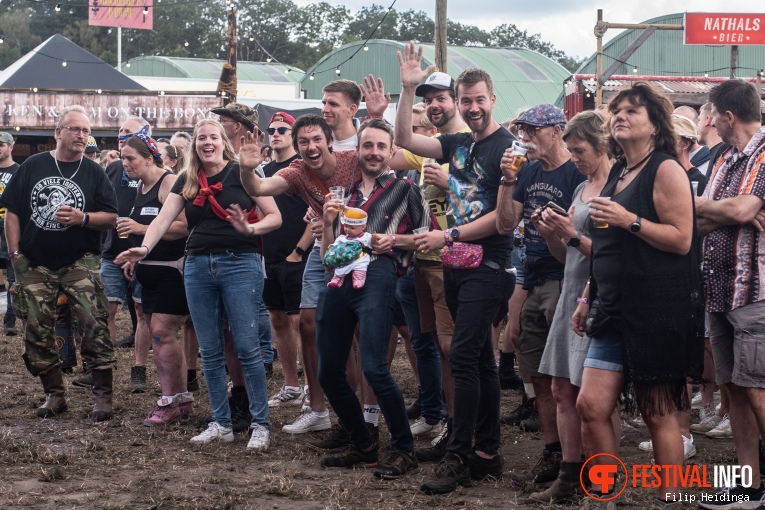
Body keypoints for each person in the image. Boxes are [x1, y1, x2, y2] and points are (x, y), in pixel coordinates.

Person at [570, 82, 703, 508]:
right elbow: (609, 250)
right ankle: (606, 494)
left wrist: (630, 218)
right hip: (611, 307)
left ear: (655, 124)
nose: (621, 116)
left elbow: (682, 239)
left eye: (633, 111)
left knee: (658, 413)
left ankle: (670, 500)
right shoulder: (619, 173)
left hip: (656, 310)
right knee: (590, 405)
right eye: (617, 110)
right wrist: (588, 295)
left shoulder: (665, 169)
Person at [115, 119, 282, 450]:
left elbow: (274, 216)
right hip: (197, 265)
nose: (208, 142)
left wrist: (251, 231)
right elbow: (163, 219)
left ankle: (259, 424)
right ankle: (221, 422)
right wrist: (144, 248)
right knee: (209, 349)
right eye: (201, 137)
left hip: (240, 262)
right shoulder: (188, 179)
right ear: (195, 145)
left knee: (248, 347)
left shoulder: (242, 172)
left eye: (213, 137)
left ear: (223, 142)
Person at [395, 43, 515, 494]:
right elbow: (405, 141)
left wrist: (448, 236)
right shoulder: (459, 143)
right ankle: (488, 452)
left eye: (479, 99)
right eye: (466, 100)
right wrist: (407, 90)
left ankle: (459, 456)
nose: (473, 107)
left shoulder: (508, 148)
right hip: (458, 263)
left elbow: (504, 219)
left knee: (463, 355)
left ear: (492, 99)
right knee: (480, 361)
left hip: (490, 262)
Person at [317, 118, 430, 480]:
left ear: (391, 152)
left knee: (374, 368)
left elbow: (430, 238)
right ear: (359, 150)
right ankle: (362, 443)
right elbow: (326, 253)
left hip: (380, 275)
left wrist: (393, 241)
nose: (375, 152)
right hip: (338, 279)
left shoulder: (406, 189)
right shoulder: (343, 195)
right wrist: (327, 220)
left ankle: (403, 449)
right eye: (369, 146)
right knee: (328, 370)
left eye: (382, 146)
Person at [238, 114, 362, 435]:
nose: (311, 147)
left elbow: (383, 186)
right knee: (306, 324)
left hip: (362, 253)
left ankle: (363, 410)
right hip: (324, 252)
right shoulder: (296, 172)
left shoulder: (353, 161)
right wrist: (246, 168)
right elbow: (260, 187)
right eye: (304, 142)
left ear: (329, 141)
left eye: (316, 139)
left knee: (358, 332)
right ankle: (317, 408)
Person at [0, 105, 118, 421]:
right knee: (36, 328)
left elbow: (111, 217)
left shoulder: (95, 172)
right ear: (58, 132)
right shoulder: (33, 166)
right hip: (35, 261)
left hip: (79, 259)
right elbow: (12, 213)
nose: (81, 135)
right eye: (75, 129)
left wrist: (84, 218)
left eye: (86, 130)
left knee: (93, 321)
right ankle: (54, 394)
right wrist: (15, 256)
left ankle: (102, 396)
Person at [495, 103, 586, 488]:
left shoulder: (575, 172)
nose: (525, 138)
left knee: (568, 376)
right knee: (536, 369)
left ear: (557, 130)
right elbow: (504, 224)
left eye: (533, 130)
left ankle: (581, 459)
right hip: (531, 277)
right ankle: (553, 453)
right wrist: (506, 180)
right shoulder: (528, 170)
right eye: (521, 131)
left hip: (565, 279)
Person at [526, 111, 613, 503]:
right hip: (571, 291)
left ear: (601, 147)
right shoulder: (582, 188)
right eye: (570, 150)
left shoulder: (615, 188)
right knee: (561, 388)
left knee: (589, 398)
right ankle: (568, 476)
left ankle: (602, 479)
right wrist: (551, 235)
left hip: (598, 297)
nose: (573, 157)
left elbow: (615, 257)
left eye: (579, 151)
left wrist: (572, 235)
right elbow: (568, 257)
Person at [695, 78, 765, 507]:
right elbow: (695, 217)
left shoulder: (763, 153)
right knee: (733, 388)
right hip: (720, 290)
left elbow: (740, 208)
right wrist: (724, 210)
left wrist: (728, 209)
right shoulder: (725, 159)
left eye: (711, 114)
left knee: (757, 387)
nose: (710, 123)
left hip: (756, 291)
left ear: (728, 116)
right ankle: (748, 484)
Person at [114, 134, 192, 426]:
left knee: (161, 333)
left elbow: (183, 227)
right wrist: (136, 258)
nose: (125, 164)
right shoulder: (141, 185)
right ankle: (181, 399)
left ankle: (169, 400)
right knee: (160, 335)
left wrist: (139, 226)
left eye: (130, 158)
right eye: (122, 158)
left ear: (149, 157)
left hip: (172, 269)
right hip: (148, 268)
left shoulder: (168, 182)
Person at [90, 118, 146, 395]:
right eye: (120, 131)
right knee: (106, 308)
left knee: (141, 311)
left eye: (128, 131)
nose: (122, 135)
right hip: (113, 250)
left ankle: (140, 369)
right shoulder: (112, 168)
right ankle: (104, 368)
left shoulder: (156, 173)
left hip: (144, 251)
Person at [259, 111, 310, 409]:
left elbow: (315, 211)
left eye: (282, 129)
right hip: (269, 257)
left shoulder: (301, 169)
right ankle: (290, 384)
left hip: (296, 257)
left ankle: (308, 387)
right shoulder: (264, 172)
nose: (275, 133)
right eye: (272, 129)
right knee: (277, 321)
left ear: (293, 134)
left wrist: (299, 251)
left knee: (300, 322)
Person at [0, 131, 20, 336]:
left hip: (10, 230)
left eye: (2, 145)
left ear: (10, 147)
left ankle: (10, 318)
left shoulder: (19, 171)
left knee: (13, 278)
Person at [324, 207, 373, 289]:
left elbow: (372, 243)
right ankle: (336, 281)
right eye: (346, 226)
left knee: (360, 268)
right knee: (339, 269)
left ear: (363, 227)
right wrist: (332, 246)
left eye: (352, 228)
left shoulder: (366, 236)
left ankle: (358, 281)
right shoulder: (342, 237)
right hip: (344, 259)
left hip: (359, 257)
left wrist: (374, 239)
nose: (347, 230)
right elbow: (336, 243)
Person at [322, 80, 363, 150]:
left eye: (333, 104)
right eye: (324, 103)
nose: (325, 110)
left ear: (351, 110)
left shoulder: (368, 142)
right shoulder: (317, 144)